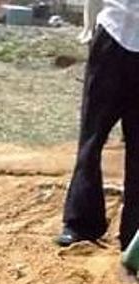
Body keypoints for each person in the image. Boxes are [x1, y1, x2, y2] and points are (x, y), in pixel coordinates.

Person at [56, 0, 139, 255]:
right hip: (112, 37)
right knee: (92, 137)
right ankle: (81, 223)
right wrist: (89, 30)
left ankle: (133, 235)